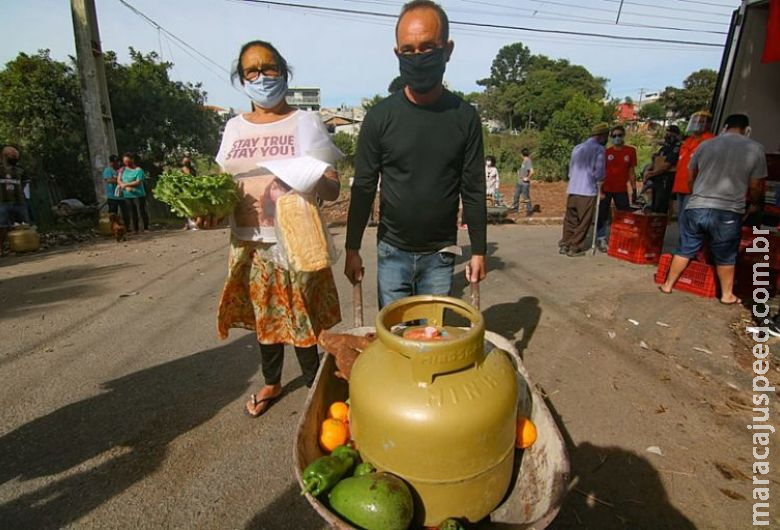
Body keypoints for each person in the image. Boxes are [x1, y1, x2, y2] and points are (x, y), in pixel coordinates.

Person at [215, 40, 342, 418]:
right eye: (251, 71)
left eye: (269, 68)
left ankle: (316, 391)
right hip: (249, 243)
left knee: (302, 319)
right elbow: (223, 188)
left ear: (284, 73)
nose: (261, 77)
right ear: (242, 79)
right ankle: (271, 382)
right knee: (264, 317)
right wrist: (208, 212)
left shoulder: (305, 122)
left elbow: (333, 188)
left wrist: (311, 177)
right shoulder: (234, 128)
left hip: (296, 243)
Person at [345, 0, 487, 307]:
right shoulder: (379, 118)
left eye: (428, 47)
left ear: (447, 50)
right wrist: (351, 248)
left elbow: (473, 189)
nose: (417, 56)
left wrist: (479, 251)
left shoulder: (464, 118)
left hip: (440, 255)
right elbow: (364, 186)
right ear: (397, 53)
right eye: (408, 50)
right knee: (395, 342)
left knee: (432, 342)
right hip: (391, 252)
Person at [659, 114, 767, 304]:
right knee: (725, 254)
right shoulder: (755, 149)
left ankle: (668, 284)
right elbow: (756, 185)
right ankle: (727, 295)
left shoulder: (706, 145)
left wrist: (695, 194)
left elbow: (691, 174)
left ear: (724, 127)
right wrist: (756, 203)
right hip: (728, 209)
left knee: (685, 248)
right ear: (746, 129)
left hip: (697, 205)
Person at [559, 123, 608, 257]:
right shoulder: (599, 149)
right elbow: (599, 173)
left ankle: (565, 243)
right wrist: (600, 186)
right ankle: (575, 247)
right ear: (601, 136)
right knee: (583, 221)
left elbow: (570, 170)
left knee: (570, 219)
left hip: (573, 189)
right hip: (587, 191)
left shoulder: (577, 148)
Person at [595, 125, 637, 252]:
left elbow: (631, 172)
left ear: (623, 136)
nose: (617, 138)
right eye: (614, 136)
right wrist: (599, 190)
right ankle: (601, 238)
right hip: (607, 188)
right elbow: (600, 172)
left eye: (619, 135)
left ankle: (622, 238)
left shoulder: (630, 151)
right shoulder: (606, 152)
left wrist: (634, 189)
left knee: (624, 214)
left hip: (621, 189)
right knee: (602, 214)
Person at [671, 111, 714, 227]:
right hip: (681, 186)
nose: (697, 124)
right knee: (682, 221)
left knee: (689, 223)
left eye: (700, 122)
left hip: (695, 189)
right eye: (694, 121)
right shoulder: (688, 141)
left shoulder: (710, 141)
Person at [647, 125, 682, 214]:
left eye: (670, 132)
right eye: (667, 132)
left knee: (660, 207)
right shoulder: (666, 147)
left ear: (676, 134)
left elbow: (667, 165)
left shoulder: (676, 147)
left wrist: (652, 173)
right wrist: (649, 170)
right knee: (654, 206)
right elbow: (657, 160)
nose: (667, 134)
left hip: (666, 180)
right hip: (658, 179)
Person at [0, 145, 29, 253]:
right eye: (12, 155)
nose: (15, 158)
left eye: (16, 156)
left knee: (23, 225)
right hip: (2, 202)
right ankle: (1, 249)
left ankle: (23, 247)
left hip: (19, 201)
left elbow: (25, 182)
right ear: (4, 156)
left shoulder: (20, 170)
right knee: (1, 227)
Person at [118, 153, 149, 234]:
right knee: (132, 212)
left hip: (138, 194)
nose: (126, 163)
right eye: (125, 161)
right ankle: (135, 229)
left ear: (132, 160)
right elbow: (119, 180)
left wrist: (126, 185)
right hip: (127, 194)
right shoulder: (122, 169)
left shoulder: (138, 170)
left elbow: (138, 182)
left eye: (128, 161)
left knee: (141, 211)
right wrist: (123, 186)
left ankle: (146, 227)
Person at [103, 155, 130, 229]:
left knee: (126, 213)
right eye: (114, 162)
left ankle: (127, 227)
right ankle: (113, 228)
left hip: (122, 196)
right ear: (111, 162)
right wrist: (119, 181)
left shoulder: (122, 170)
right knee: (113, 214)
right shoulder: (108, 170)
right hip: (112, 196)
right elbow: (108, 180)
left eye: (117, 162)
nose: (116, 164)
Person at [511, 148, 534, 216]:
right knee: (516, 196)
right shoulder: (524, 161)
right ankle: (515, 210)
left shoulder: (528, 161)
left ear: (521, 154)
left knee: (526, 197)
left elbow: (532, 171)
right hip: (519, 182)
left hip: (524, 183)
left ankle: (529, 211)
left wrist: (527, 178)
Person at [180, 156, 200, 230]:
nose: (186, 162)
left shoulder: (192, 170)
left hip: (192, 190)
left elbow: (195, 179)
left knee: (193, 207)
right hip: (184, 190)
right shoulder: (181, 171)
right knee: (185, 208)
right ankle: (187, 224)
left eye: (187, 161)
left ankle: (195, 223)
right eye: (184, 161)